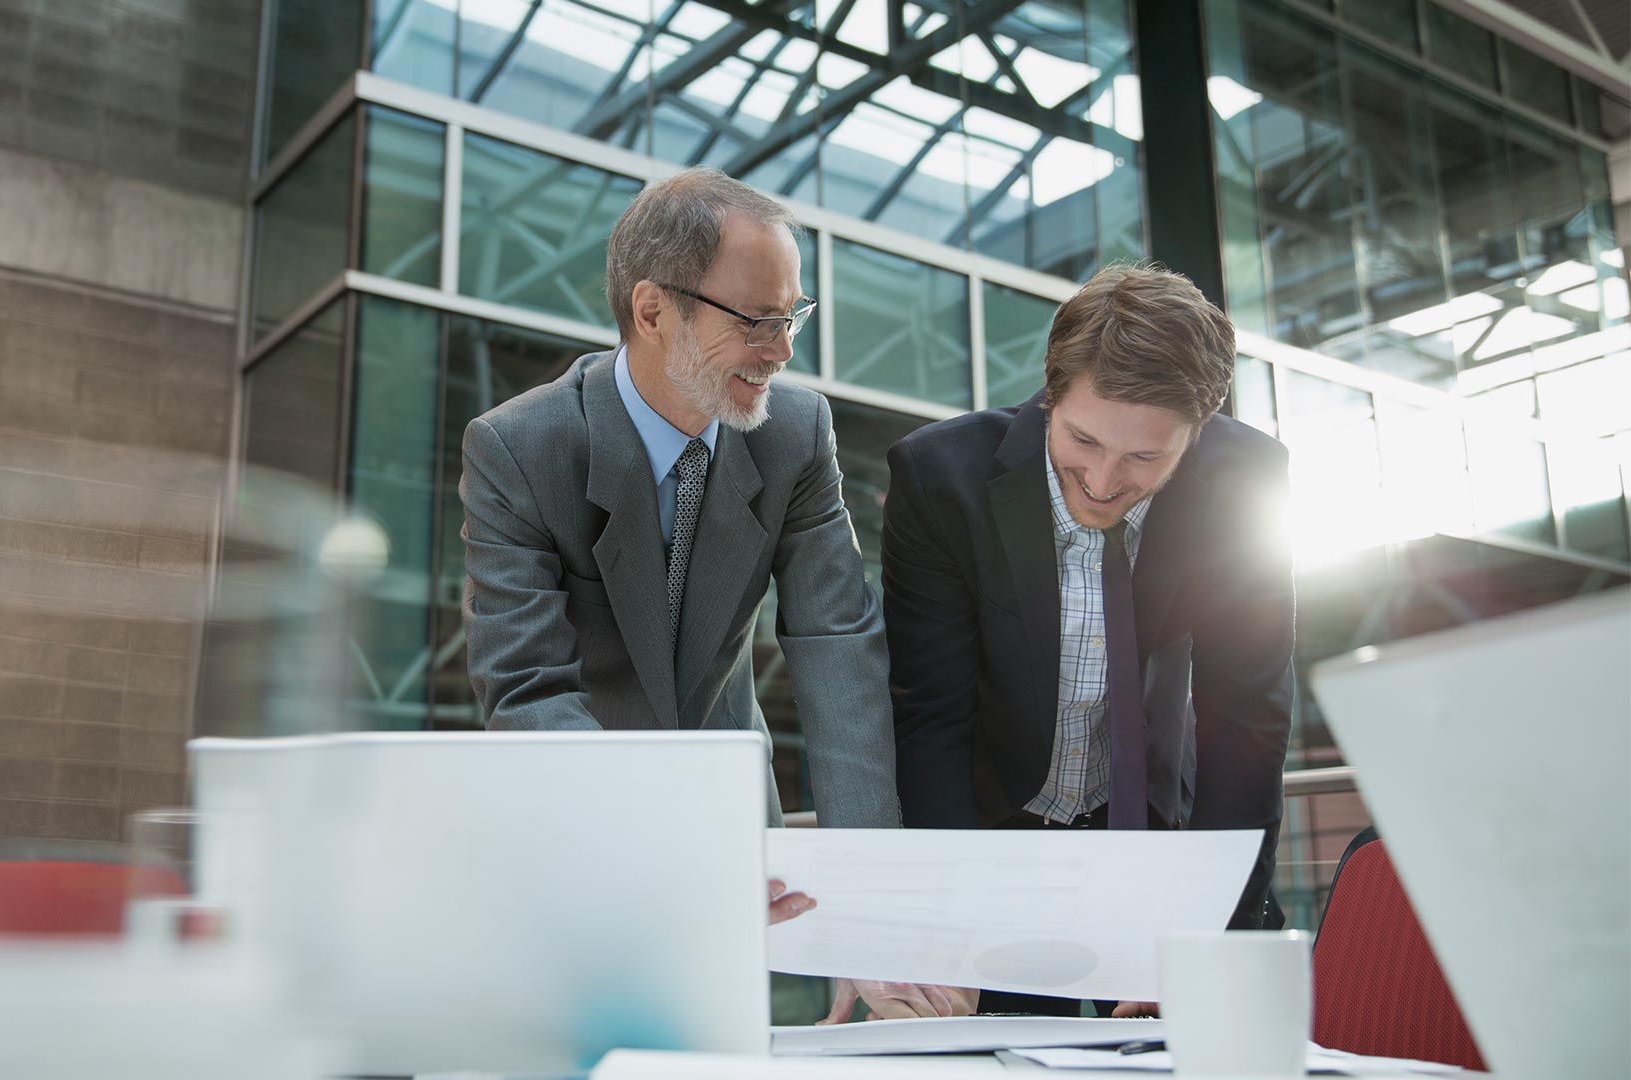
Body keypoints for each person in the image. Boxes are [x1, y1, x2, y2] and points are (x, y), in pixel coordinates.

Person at [463, 170, 938, 979]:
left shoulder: (795, 433)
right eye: (756, 320)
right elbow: (527, 692)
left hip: (739, 840)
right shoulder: (520, 450)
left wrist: (867, 903)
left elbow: (838, 647)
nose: (782, 351)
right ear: (653, 311)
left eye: (791, 317)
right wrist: (670, 851)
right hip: (584, 835)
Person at [876, 263, 1295, 1020]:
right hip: (992, 834)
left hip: (1150, 835)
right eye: (1083, 439)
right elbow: (929, 719)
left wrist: (1209, 935)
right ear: (1050, 395)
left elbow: (1246, 722)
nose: (1103, 480)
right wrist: (951, 932)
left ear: (1195, 436)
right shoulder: (941, 481)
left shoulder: (1244, 485)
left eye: (1146, 457)